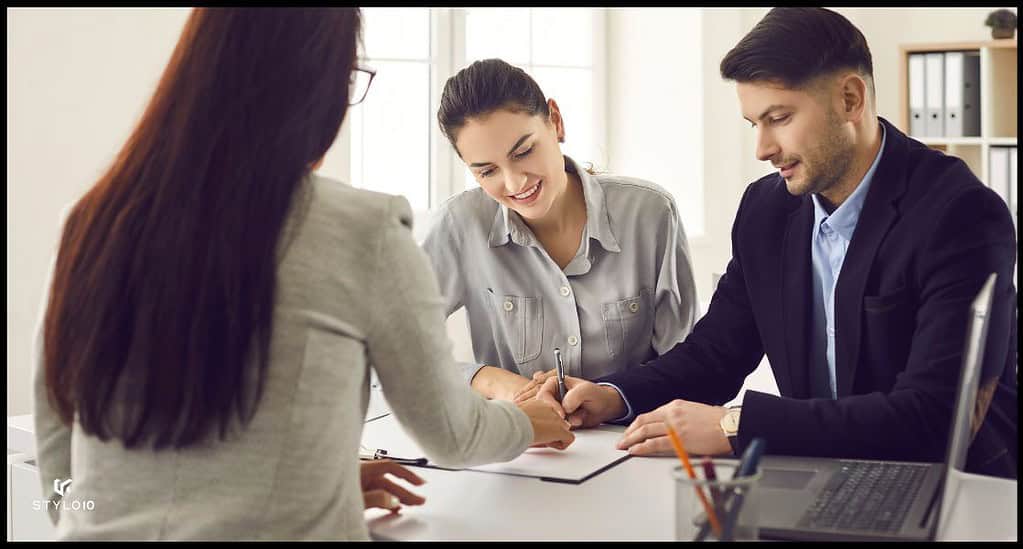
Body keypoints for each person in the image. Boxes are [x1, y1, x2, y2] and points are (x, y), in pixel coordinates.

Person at [32, 8, 573, 541]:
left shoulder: (92, 220)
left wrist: (316, 486)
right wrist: (529, 423)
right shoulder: (364, 228)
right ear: (319, 84)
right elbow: (454, 435)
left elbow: (59, 479)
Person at [538, 7, 1017, 479]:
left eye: (779, 118)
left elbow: (934, 418)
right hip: (818, 474)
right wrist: (611, 394)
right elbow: (716, 354)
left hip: (954, 487)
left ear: (850, 99)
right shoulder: (767, 210)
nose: (762, 149)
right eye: (754, 124)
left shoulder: (961, 215)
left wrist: (735, 425)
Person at [424, 58, 698, 403]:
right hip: (520, 444)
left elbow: (689, 363)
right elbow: (392, 348)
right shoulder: (460, 225)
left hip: (634, 442)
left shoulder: (650, 213)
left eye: (524, 152)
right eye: (486, 171)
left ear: (555, 121)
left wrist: (613, 399)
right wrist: (494, 382)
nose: (515, 182)